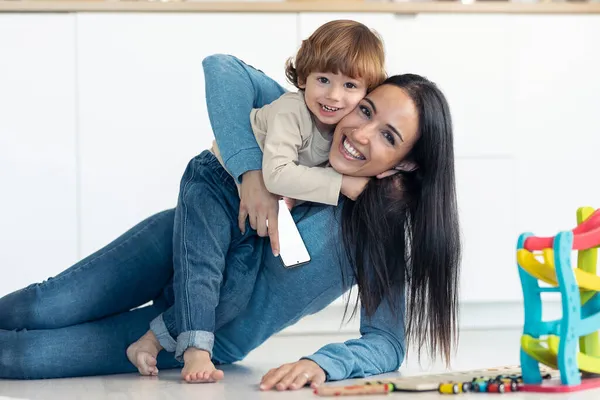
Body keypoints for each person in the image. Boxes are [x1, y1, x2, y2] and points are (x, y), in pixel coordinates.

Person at [0, 54, 461, 392]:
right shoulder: (309, 114)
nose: (359, 132)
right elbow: (222, 68)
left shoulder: (376, 238)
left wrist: (325, 363)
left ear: (403, 166)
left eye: (388, 136)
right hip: (177, 244)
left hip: (199, 334)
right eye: (366, 110)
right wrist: (252, 174)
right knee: (36, 309)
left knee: (20, 356)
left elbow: (386, 343)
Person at [126, 20, 387, 384]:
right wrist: (341, 183)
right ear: (303, 78)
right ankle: (195, 351)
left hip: (255, 210)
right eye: (323, 79)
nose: (333, 96)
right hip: (216, 183)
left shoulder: (341, 133)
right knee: (202, 270)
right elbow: (276, 173)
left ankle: (151, 340)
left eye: (350, 86)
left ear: (366, 93)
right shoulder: (291, 111)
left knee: (234, 293)